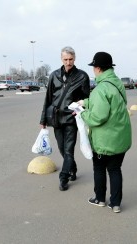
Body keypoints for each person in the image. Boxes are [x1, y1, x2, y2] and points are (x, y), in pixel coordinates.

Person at [76, 52, 132, 213]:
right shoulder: (117, 84)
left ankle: (99, 198)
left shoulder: (100, 88)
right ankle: (115, 204)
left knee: (99, 168)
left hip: (104, 140)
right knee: (115, 169)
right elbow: (110, 101)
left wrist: (82, 113)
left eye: (94, 67)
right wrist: (85, 102)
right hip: (120, 136)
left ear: (98, 68)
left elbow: (97, 117)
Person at [39, 46, 90, 191]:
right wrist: (43, 120)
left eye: (71, 59)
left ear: (75, 58)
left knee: (68, 150)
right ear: (61, 59)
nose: (68, 62)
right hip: (55, 118)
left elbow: (87, 98)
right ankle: (72, 168)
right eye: (65, 59)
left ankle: (63, 177)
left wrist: (81, 111)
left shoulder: (82, 76)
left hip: (71, 118)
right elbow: (48, 97)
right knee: (61, 149)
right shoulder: (54, 75)